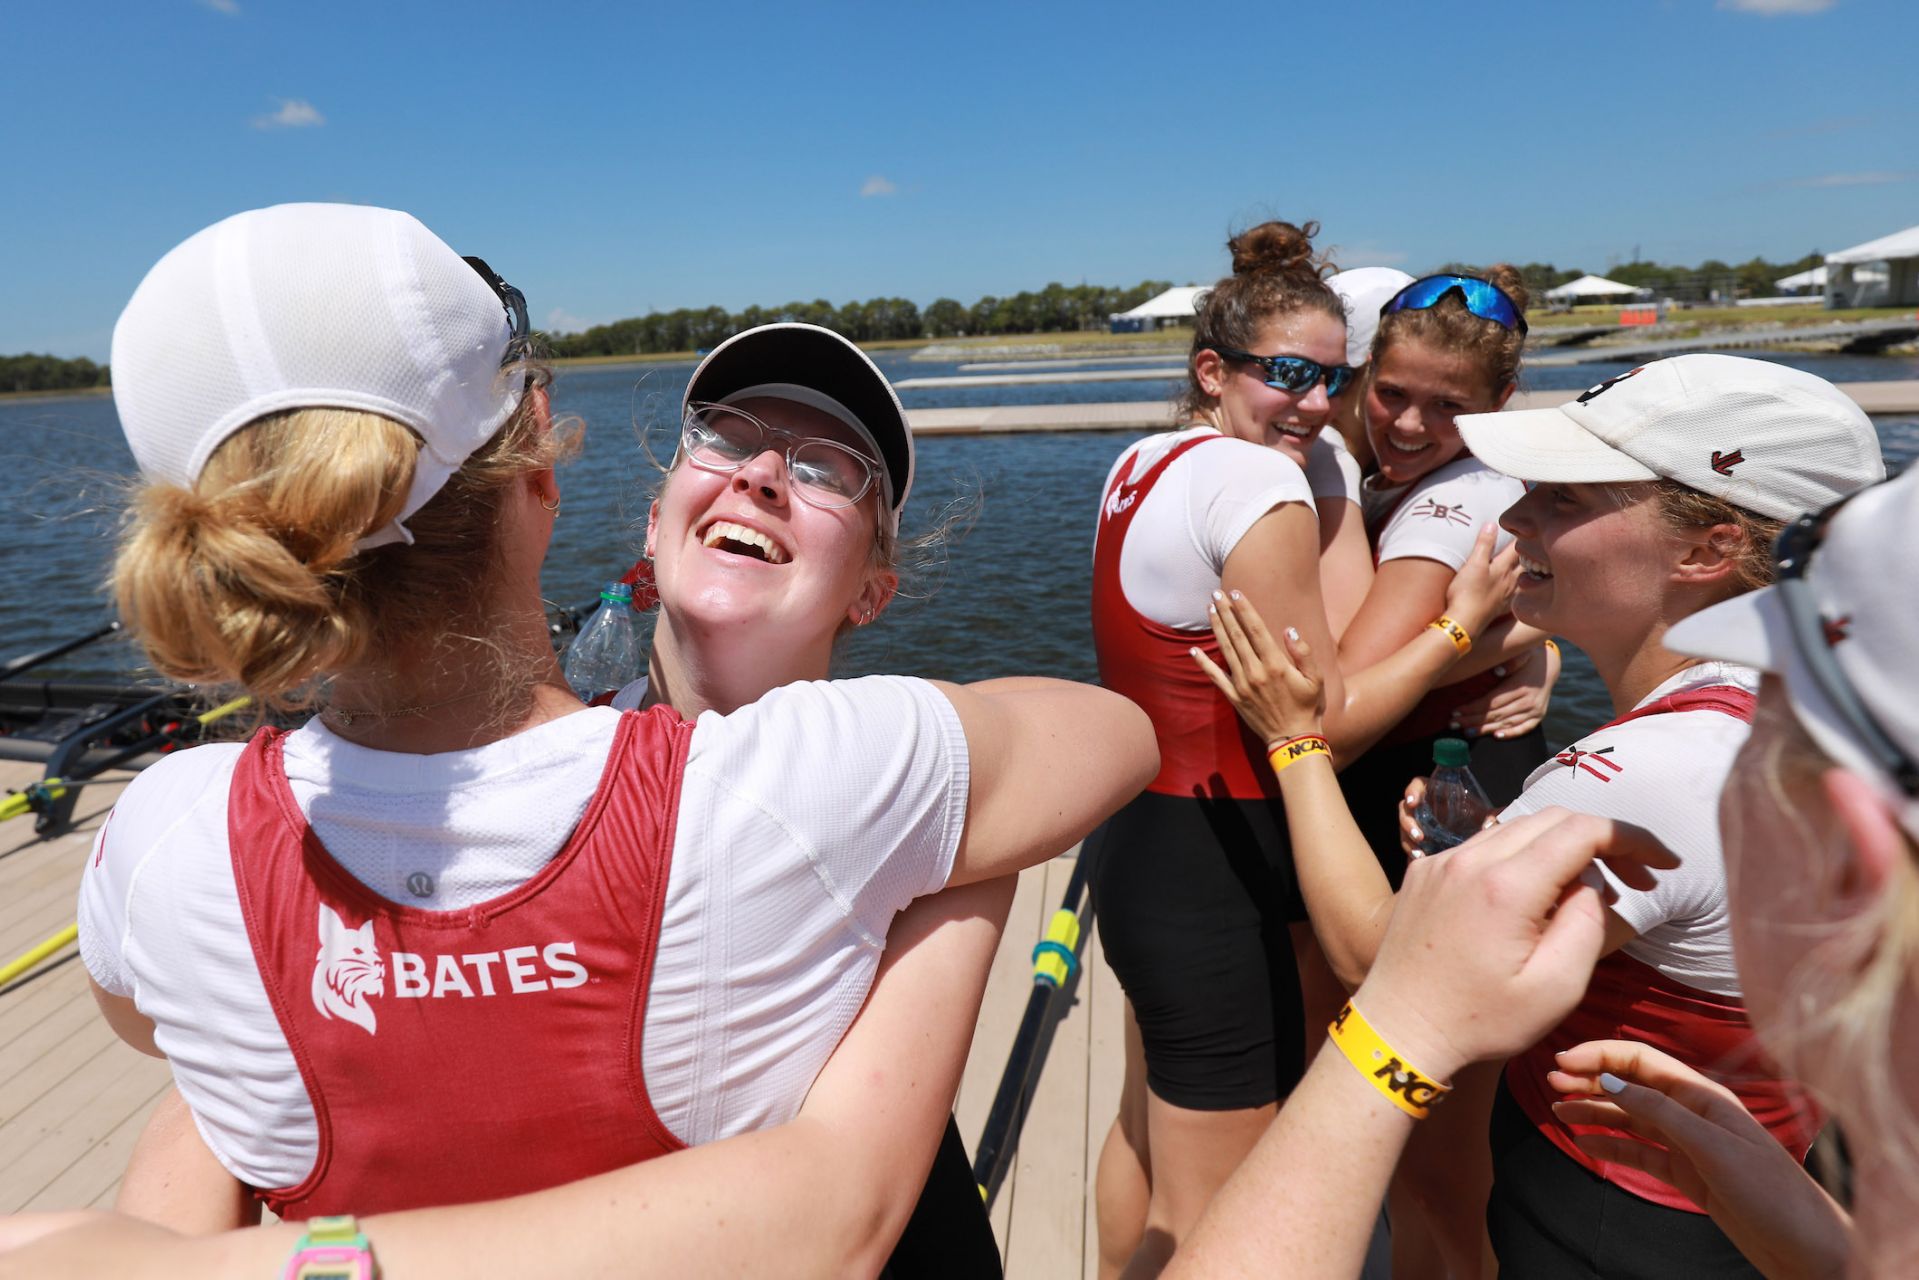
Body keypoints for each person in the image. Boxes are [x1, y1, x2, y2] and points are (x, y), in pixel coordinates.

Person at [73, 204, 1156, 1261]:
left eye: (828, 469)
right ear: (553, 475)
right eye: (725, 436)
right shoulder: (849, 782)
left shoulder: (168, 839)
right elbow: (1109, 729)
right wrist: (953, 842)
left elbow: (178, 1049)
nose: (764, 469)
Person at [1198, 353, 1885, 1275]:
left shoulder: (1645, 772)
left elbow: (1380, 958)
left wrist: (1294, 741)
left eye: (1562, 501)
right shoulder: (1821, 704)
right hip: (1742, 1191)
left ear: (1706, 550)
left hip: (1607, 1213)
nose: (1514, 519)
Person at [1086, 219, 1517, 1279]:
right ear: (1212, 369)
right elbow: (1314, 718)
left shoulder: (1142, 458)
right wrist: (1468, 631)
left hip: (1140, 840)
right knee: (1223, 1212)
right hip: (1217, 862)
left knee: (1142, 1140)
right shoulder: (1262, 485)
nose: (1319, 407)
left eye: (1331, 378)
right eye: (1290, 375)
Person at [1324, 267, 1561, 1278]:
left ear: (1500, 406)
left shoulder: (1440, 504)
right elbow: (1542, 592)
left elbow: (1340, 703)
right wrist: (1528, 644)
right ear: (1364, 374)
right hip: (1473, 773)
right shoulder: (1459, 481)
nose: (1410, 424)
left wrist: (1487, 637)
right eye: (1391, 393)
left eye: (1446, 406)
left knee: (1436, 1153)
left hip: (1443, 792)